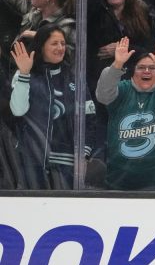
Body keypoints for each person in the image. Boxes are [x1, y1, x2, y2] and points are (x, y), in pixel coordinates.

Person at [9, 23, 95, 190]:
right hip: (32, 160)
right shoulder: (24, 74)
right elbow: (18, 110)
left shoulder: (75, 78)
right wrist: (25, 74)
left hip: (68, 164)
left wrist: (83, 153)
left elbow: (89, 119)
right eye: (54, 43)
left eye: (63, 43)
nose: (60, 48)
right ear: (42, 46)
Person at [95, 37, 155, 191]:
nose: (147, 71)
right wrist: (117, 65)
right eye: (141, 67)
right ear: (132, 71)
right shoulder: (122, 89)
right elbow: (103, 95)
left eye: (153, 68)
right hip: (118, 181)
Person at [0, 0, 77, 63]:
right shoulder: (34, 12)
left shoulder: (66, 25)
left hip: (41, 76)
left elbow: (66, 58)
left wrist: (40, 37)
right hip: (16, 72)